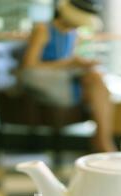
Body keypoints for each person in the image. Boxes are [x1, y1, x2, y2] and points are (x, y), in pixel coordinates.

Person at [20, 0, 116, 153]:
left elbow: (69, 61)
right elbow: (29, 66)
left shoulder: (73, 34)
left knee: (96, 77)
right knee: (96, 82)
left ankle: (102, 137)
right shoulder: (43, 29)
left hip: (63, 78)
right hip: (41, 79)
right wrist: (69, 63)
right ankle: (102, 141)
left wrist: (80, 63)